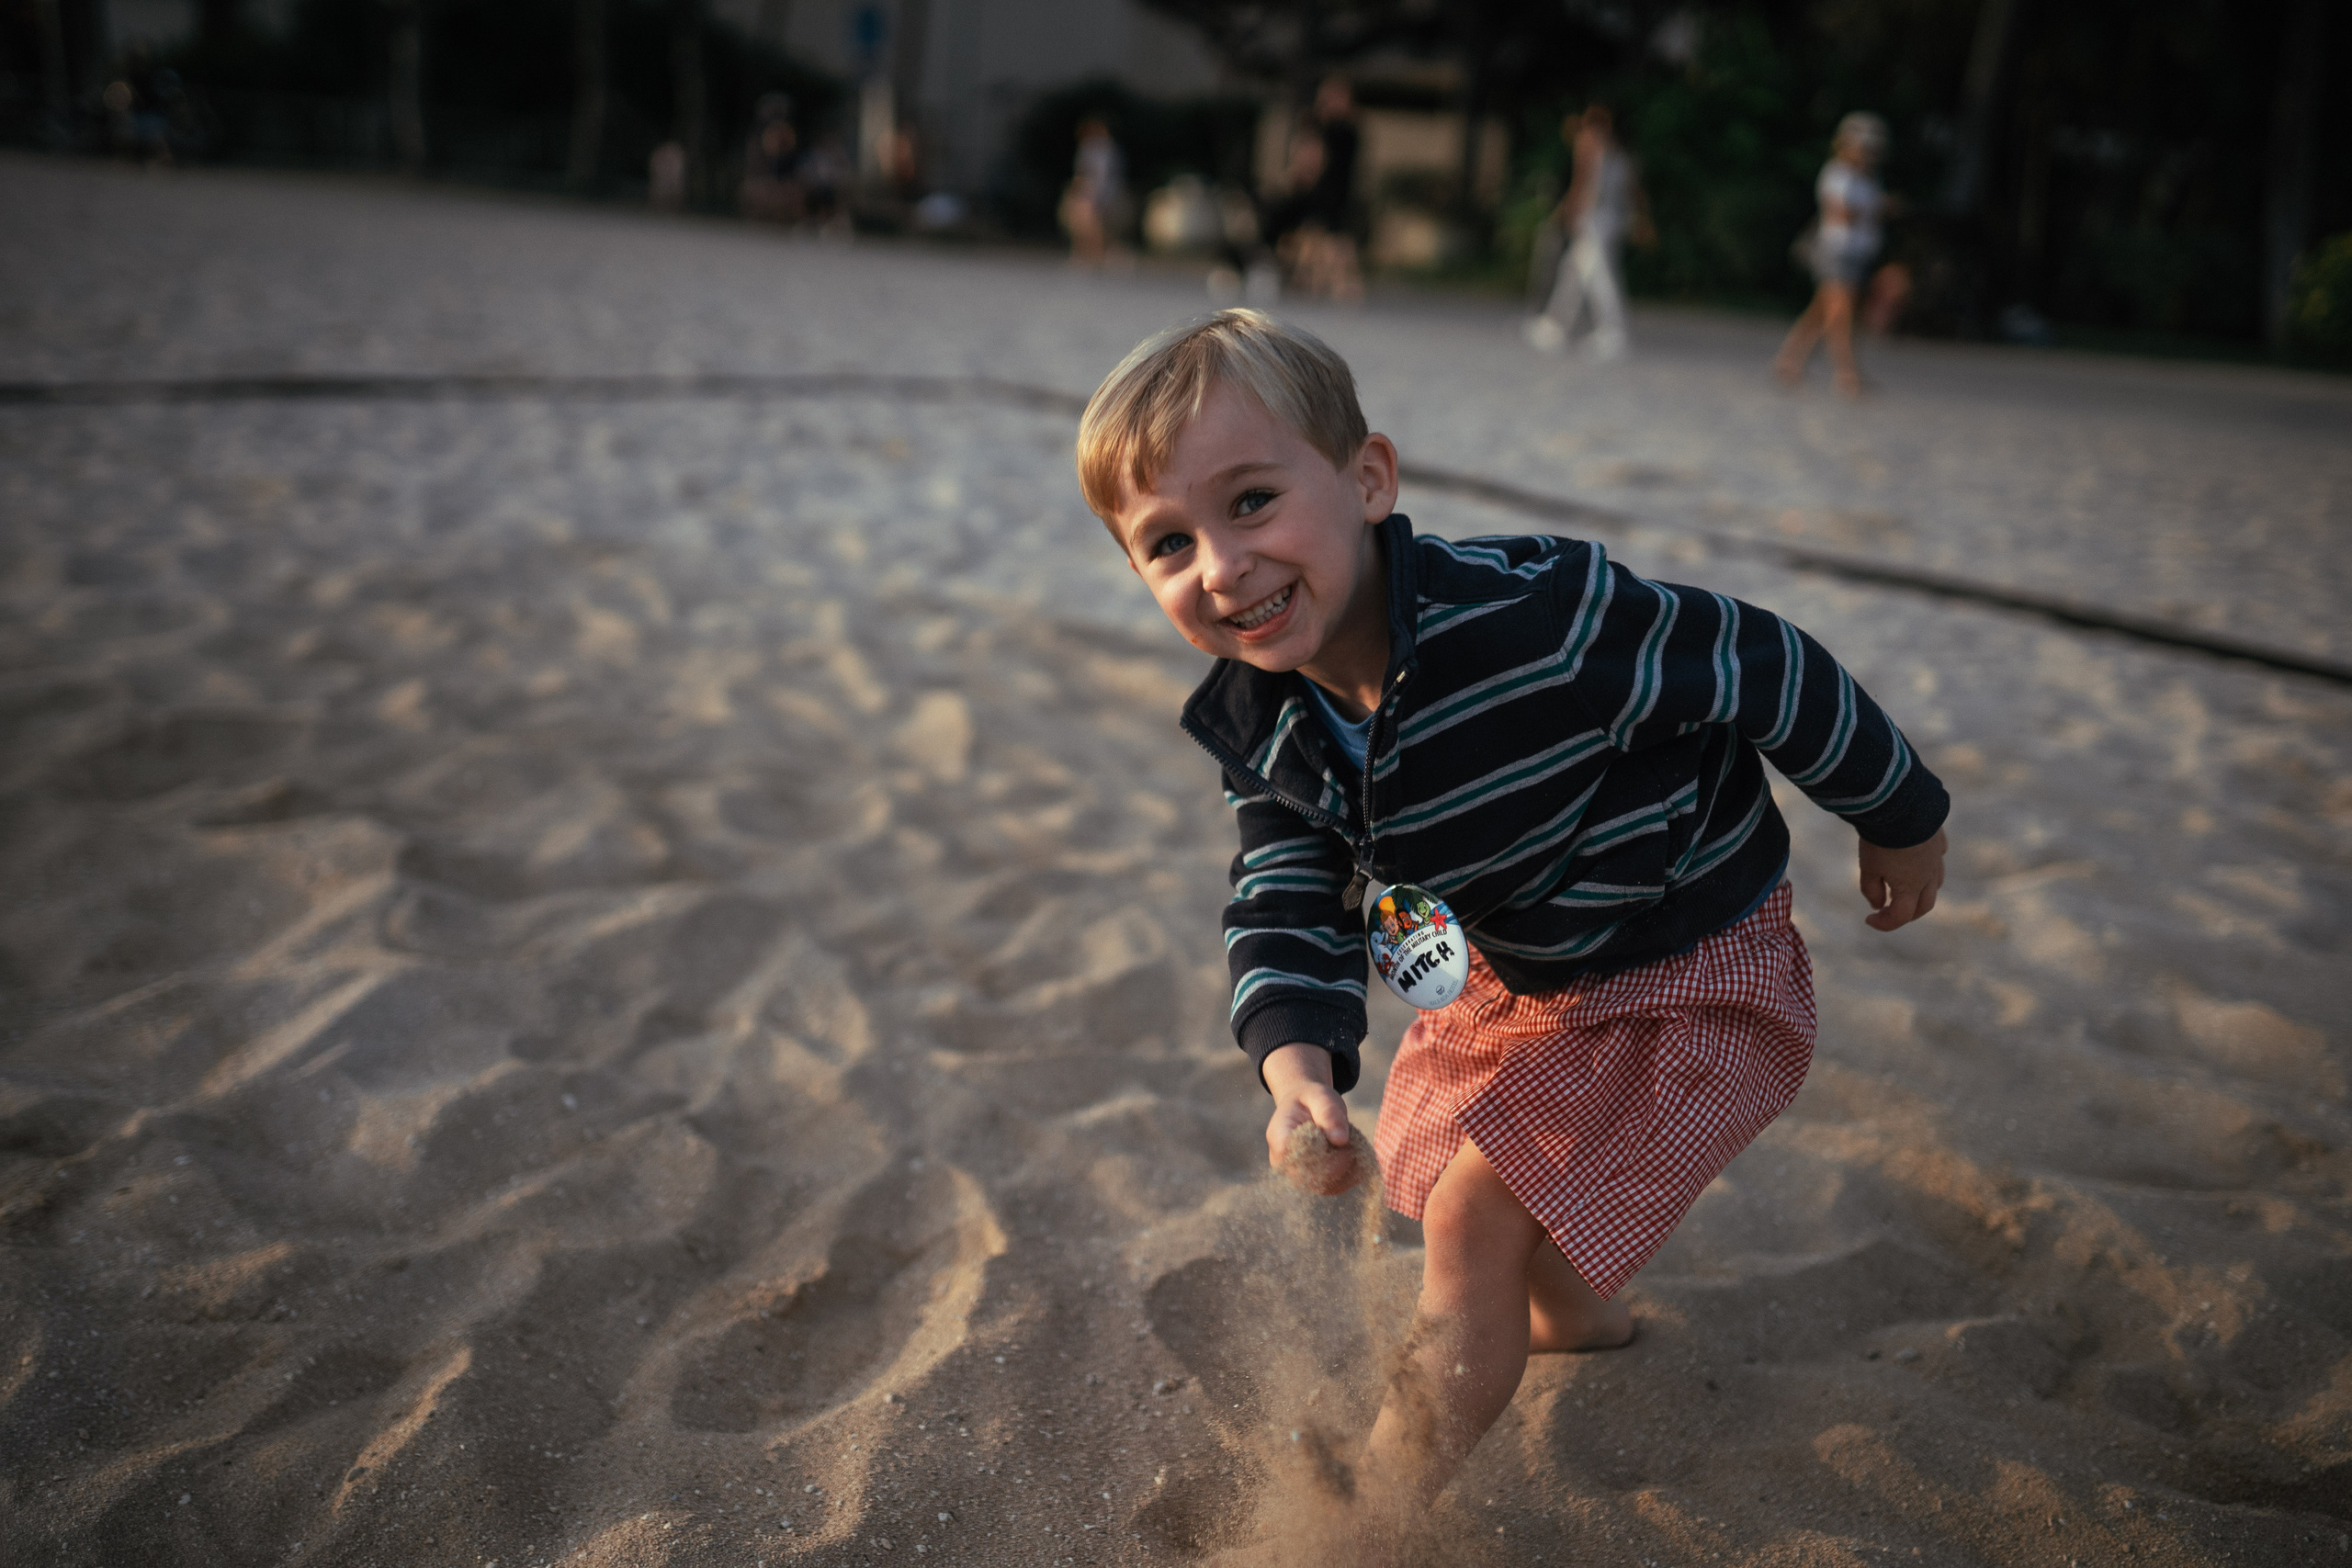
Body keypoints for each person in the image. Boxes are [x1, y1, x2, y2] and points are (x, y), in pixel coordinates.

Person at [1075, 309, 1949, 1542]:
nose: (1220, 565)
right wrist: (1298, 1074)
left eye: (1254, 501)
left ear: (1368, 478)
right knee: (1452, 1184)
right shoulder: (1266, 727)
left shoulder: (1544, 621)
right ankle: (1577, 1316)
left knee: (1476, 1217)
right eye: (1168, 542)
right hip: (1529, 969)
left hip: (1681, 949)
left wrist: (1898, 811)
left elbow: (1762, 660)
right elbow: (1285, 899)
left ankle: (1370, 1518)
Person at [1776, 111, 1892, 396]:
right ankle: (1846, 374)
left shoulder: (1868, 178)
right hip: (1836, 251)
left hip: (1857, 254)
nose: (1868, 153)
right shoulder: (1837, 173)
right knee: (1841, 316)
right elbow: (1839, 213)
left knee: (1821, 313)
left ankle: (1788, 362)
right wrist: (1877, 208)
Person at [1527, 106, 1652, 359]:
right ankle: (1554, 325)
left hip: (1595, 220)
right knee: (1572, 271)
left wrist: (1570, 214)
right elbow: (1634, 190)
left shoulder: (1589, 145)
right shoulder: (1621, 152)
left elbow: (1581, 183)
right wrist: (1641, 219)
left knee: (1600, 277)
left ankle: (1613, 333)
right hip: (1613, 219)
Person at [1060, 116, 1128, 268]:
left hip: (1095, 192)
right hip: (1093, 192)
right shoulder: (1096, 148)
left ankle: (1098, 253)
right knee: (1086, 225)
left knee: (1093, 225)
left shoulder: (1102, 149)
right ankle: (1090, 253)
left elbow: (1092, 173)